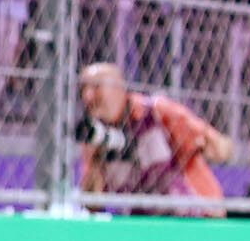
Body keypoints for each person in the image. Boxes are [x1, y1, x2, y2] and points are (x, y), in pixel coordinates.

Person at [75, 62, 231, 215]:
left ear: (118, 86)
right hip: (143, 224)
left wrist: (205, 145)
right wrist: (95, 163)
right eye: (83, 88)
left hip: (191, 215)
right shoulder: (94, 135)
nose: (87, 96)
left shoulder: (157, 111)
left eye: (96, 87)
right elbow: (92, 204)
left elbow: (219, 146)